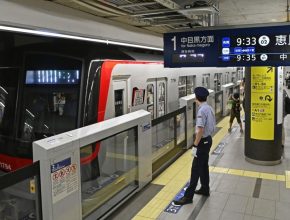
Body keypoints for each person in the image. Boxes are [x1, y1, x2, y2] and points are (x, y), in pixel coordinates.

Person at [173, 87, 216, 205]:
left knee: (195, 169)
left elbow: (200, 130)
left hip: (202, 142)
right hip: (208, 140)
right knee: (203, 166)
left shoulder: (201, 110)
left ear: (196, 98)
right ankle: (205, 188)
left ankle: (188, 197)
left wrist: (195, 145)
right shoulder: (209, 108)